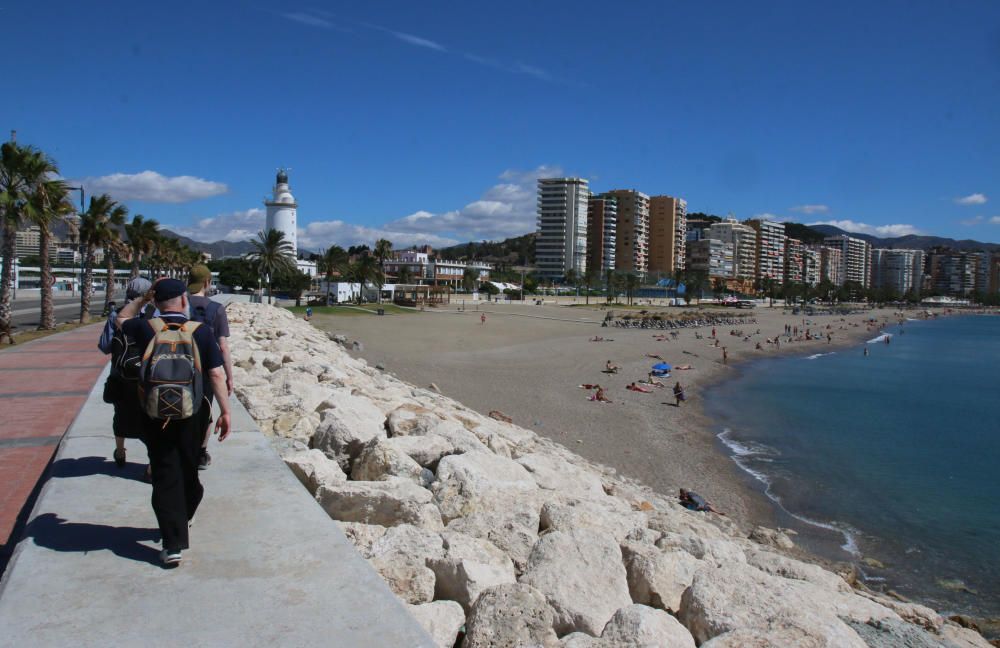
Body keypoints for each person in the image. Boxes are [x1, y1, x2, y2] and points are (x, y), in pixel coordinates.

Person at [116, 278, 231, 567]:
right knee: (189, 471)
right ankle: (181, 524)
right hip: (193, 414)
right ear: (184, 300)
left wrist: (144, 299)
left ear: (156, 301)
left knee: (166, 473)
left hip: (155, 414)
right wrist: (225, 412)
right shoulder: (201, 332)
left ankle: (172, 542)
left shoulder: (145, 327)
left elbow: (121, 318)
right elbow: (216, 375)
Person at [98, 277, 153, 473]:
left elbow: (105, 347)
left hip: (119, 375)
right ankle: (151, 464)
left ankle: (120, 451)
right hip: (146, 376)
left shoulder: (115, 315)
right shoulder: (153, 316)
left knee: (120, 414)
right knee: (149, 418)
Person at [187, 265, 233, 471]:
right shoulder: (216, 309)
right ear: (207, 283)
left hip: (177, 367)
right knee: (205, 409)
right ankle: (201, 452)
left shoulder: (177, 304)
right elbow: (223, 347)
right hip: (205, 369)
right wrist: (229, 377)